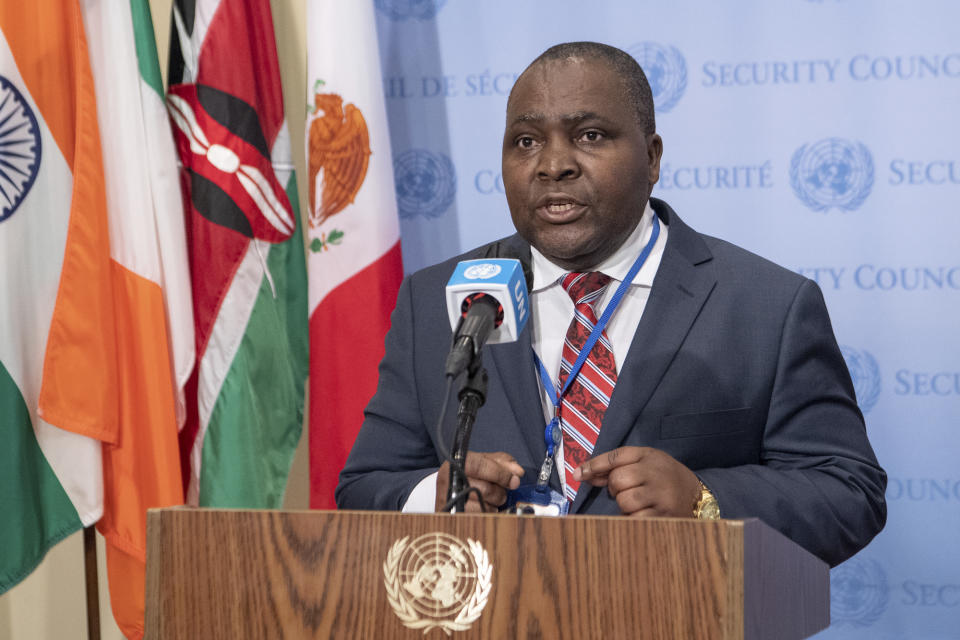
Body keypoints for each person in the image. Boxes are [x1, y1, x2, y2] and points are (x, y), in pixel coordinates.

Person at [336, 42, 886, 567]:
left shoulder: (767, 306)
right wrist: (436, 496)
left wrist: (703, 499)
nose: (553, 165)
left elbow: (849, 492)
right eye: (526, 142)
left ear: (651, 158)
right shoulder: (438, 298)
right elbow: (365, 484)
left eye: (590, 135)